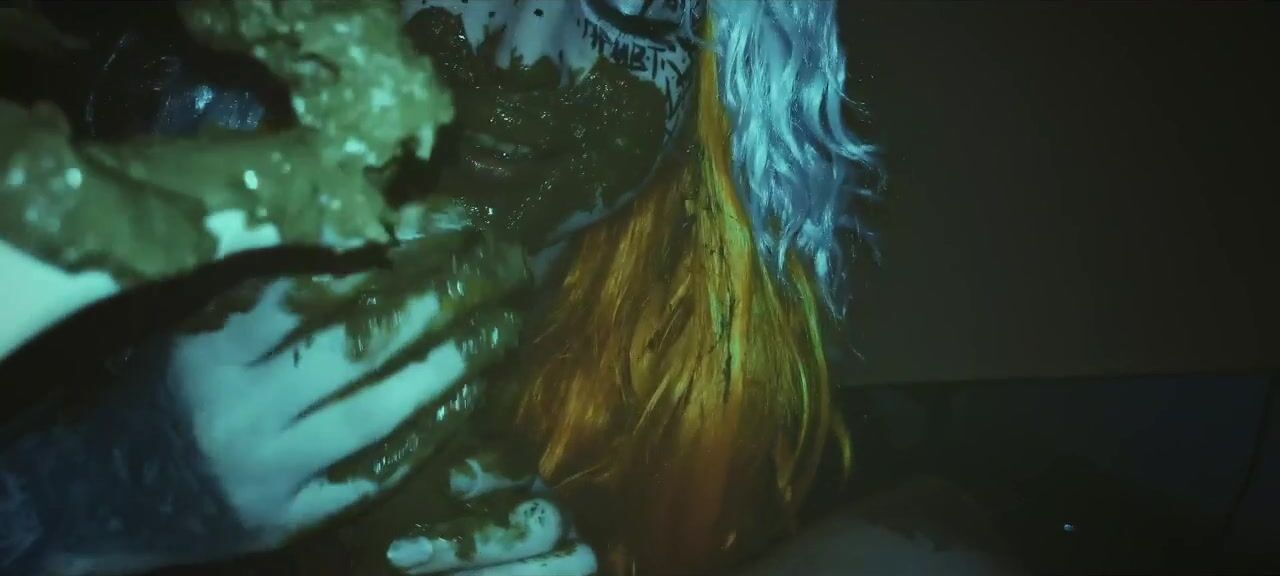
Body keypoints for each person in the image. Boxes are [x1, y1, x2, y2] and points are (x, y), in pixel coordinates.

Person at [0, 1, 879, 574]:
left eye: (633, 4)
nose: (524, 50)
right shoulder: (72, 230)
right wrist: (95, 500)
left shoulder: (700, 433)